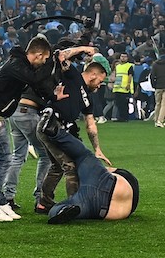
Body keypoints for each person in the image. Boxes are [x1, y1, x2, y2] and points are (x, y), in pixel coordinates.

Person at [0, 35, 72, 222]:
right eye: (43, 59)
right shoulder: (17, 66)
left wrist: (53, 95)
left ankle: (1, 202)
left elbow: (37, 84)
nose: (43, 64)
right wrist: (53, 61)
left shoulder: (20, 65)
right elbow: (35, 80)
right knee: (3, 159)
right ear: (37, 55)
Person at [37, 109, 139, 224]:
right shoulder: (123, 177)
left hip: (100, 202)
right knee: (84, 158)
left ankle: (56, 132)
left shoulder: (100, 177)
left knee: (85, 155)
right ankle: (63, 209)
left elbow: (106, 169)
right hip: (112, 211)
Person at [36, 58, 112, 213]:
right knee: (70, 165)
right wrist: (84, 48)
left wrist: (97, 148)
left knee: (57, 166)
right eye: (100, 81)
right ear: (93, 75)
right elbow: (61, 56)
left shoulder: (88, 99)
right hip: (51, 125)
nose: (99, 85)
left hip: (55, 128)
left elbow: (90, 124)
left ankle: (44, 203)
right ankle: (75, 204)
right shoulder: (73, 76)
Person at [150, 53, 165, 128]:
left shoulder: (155, 64)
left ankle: (156, 120)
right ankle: (160, 120)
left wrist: (154, 85)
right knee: (164, 105)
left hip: (158, 86)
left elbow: (152, 76)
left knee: (158, 104)